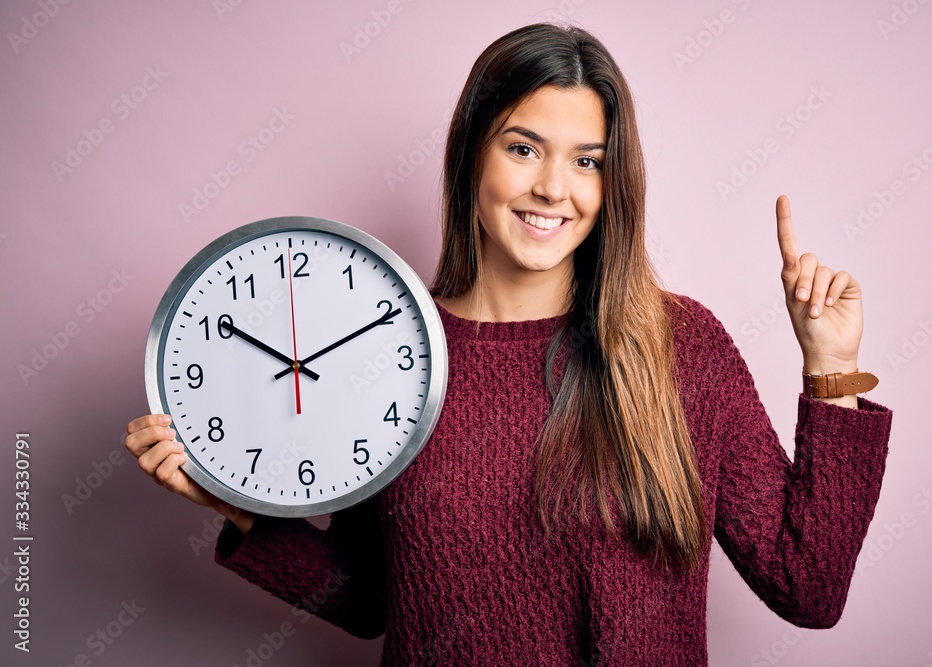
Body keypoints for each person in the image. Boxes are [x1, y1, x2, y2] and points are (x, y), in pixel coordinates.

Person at [125, 23, 893, 666]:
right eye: (524, 148)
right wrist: (248, 510)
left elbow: (807, 588)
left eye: (586, 160)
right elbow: (371, 601)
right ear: (472, 155)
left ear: (610, 180)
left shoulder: (680, 346)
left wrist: (830, 369)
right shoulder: (385, 354)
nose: (555, 188)